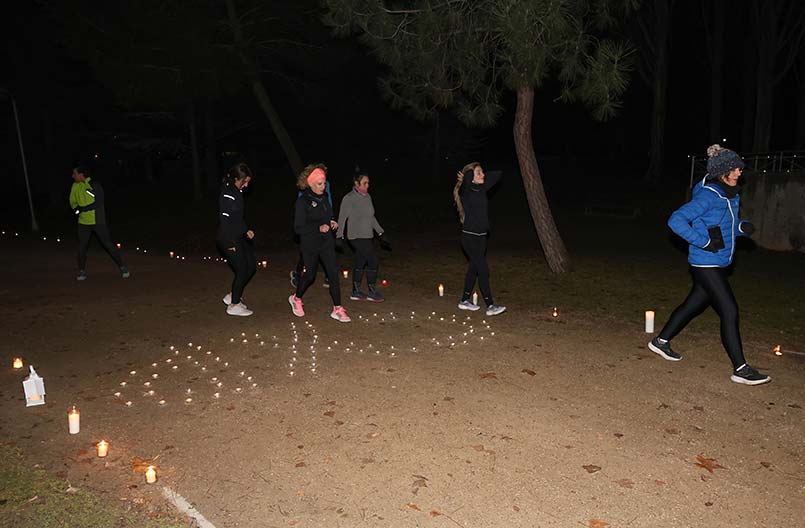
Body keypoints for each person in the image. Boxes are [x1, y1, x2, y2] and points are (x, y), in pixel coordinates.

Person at [648, 144, 770, 385]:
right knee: (729, 309)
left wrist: (740, 227)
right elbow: (676, 220)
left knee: (693, 305)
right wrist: (702, 242)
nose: (739, 173)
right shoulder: (708, 195)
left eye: (740, 169)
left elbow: (722, 224)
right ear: (721, 172)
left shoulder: (730, 193)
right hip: (705, 263)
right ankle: (741, 368)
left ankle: (660, 341)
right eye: (734, 169)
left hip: (718, 261)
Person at [289, 164, 351, 322]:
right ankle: (296, 298)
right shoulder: (302, 202)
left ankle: (337, 308)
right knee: (310, 276)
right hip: (310, 243)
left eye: (324, 183)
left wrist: (331, 222)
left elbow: (327, 216)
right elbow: (298, 228)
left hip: (326, 242)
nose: (324, 187)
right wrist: (318, 227)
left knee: (333, 274)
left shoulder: (323, 199)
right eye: (320, 184)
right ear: (310, 183)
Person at [453, 162, 506, 316]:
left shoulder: (482, 188)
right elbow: (465, 186)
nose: (483, 175)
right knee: (483, 269)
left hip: (482, 237)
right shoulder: (466, 192)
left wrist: (478, 172)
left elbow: (498, 174)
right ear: (470, 178)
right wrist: (469, 176)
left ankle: (464, 300)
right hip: (469, 238)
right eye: (479, 173)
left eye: (482, 172)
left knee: (474, 268)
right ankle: (490, 305)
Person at [336, 169, 390, 302]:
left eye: (368, 183)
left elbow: (371, 218)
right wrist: (339, 236)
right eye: (365, 183)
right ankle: (371, 291)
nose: (367, 186)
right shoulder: (349, 198)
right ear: (356, 183)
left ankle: (356, 291)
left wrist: (381, 233)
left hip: (367, 235)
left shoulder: (368, 197)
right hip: (355, 237)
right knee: (373, 261)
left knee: (361, 261)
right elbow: (342, 218)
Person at [69, 166, 129, 281]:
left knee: (108, 244)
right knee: (82, 247)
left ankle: (123, 267)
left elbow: (99, 202)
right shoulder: (75, 186)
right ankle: (82, 271)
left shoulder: (94, 185)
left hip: (98, 221)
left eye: (74, 174)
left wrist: (83, 208)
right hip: (83, 223)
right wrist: (76, 209)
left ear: (81, 174)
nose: (73, 176)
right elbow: (72, 201)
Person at [217, 162, 257, 317]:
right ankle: (234, 304)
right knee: (241, 269)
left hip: (239, 237)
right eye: (244, 181)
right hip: (228, 238)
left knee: (251, 266)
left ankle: (232, 295)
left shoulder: (237, 192)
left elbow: (238, 218)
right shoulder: (227, 193)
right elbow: (225, 220)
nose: (246, 185)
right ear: (236, 179)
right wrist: (229, 243)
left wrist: (246, 230)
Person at [290, 179, 332, 290]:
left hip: (323, 224)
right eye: (320, 183)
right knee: (306, 257)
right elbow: (301, 210)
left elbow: (328, 200)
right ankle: (298, 274)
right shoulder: (305, 195)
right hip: (309, 228)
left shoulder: (325, 187)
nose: (323, 185)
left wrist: (330, 217)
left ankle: (329, 276)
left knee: (324, 255)